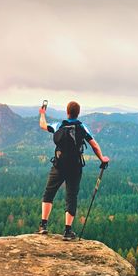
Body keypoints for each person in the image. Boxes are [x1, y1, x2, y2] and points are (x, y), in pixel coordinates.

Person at [38, 101, 109, 240]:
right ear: (78, 113)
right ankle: (67, 231)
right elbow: (94, 145)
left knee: (49, 192)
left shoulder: (59, 125)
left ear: (67, 112)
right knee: (71, 196)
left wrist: (42, 113)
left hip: (58, 165)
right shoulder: (82, 127)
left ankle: (43, 225)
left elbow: (42, 125)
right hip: (74, 168)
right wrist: (102, 158)